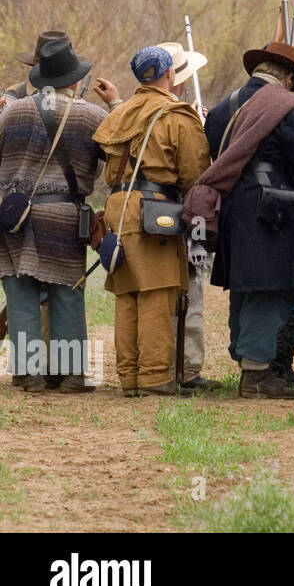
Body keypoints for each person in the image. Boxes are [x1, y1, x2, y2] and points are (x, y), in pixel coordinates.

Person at [187, 40, 294, 399]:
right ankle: (257, 372)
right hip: (271, 209)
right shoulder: (288, 107)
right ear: (288, 79)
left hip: (231, 207)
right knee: (269, 289)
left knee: (246, 287)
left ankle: (249, 357)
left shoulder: (220, 110)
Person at [94, 45, 210, 396]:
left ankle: (129, 377)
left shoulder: (122, 112)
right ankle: (156, 378)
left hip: (118, 206)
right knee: (157, 295)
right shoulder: (176, 115)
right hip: (154, 211)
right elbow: (195, 175)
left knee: (127, 292)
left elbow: (108, 169)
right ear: (170, 74)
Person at [0, 39, 108, 392]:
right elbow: (124, 149)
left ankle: (28, 374)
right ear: (74, 80)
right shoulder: (92, 115)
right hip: (65, 214)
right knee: (67, 291)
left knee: (20, 292)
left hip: (15, 215)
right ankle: (71, 373)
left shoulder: (10, 113)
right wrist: (117, 104)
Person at [155, 41, 220, 392]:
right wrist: (200, 130)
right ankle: (188, 366)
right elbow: (196, 172)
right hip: (181, 212)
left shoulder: (150, 109)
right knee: (191, 287)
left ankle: (165, 363)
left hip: (152, 212)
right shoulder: (181, 117)